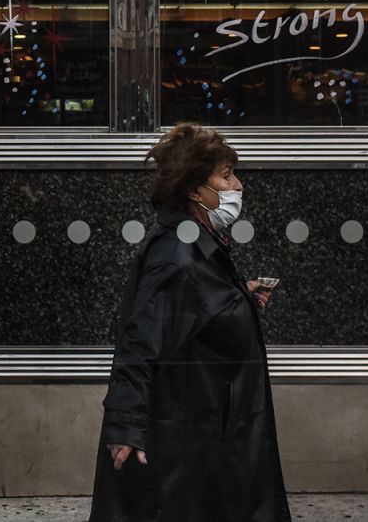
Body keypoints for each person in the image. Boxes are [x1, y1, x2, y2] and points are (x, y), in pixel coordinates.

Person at [88, 122, 292, 522]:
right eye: (226, 175)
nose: (238, 187)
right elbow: (141, 339)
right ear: (196, 189)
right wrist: (125, 424)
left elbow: (193, 307)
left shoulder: (194, 243)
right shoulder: (176, 254)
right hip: (184, 442)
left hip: (206, 431)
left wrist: (238, 298)